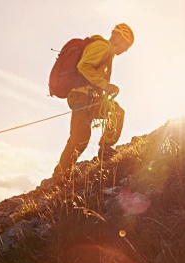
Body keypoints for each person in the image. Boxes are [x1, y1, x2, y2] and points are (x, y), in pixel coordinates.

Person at [51, 23, 134, 182]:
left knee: (116, 113)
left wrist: (103, 89)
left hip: (89, 97)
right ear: (117, 37)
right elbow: (84, 66)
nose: (125, 50)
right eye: (126, 44)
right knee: (80, 137)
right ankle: (60, 175)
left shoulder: (106, 52)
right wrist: (105, 85)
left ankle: (105, 149)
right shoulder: (103, 47)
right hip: (82, 96)